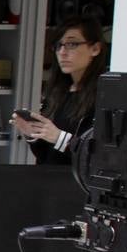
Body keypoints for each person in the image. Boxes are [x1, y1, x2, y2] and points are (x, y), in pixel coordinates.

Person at [11, 17, 107, 164]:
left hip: (77, 178)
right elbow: (46, 156)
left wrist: (59, 138)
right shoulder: (57, 93)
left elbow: (103, 156)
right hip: (50, 175)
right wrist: (34, 135)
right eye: (58, 45)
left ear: (95, 49)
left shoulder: (105, 96)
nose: (62, 52)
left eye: (72, 44)